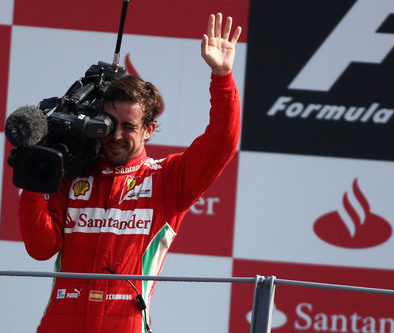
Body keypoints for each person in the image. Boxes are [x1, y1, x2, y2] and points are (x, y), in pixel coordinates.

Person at [18, 13, 242, 333]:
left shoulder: (167, 180)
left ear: (149, 129)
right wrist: (33, 179)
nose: (117, 136)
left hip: (124, 324)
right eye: (110, 124)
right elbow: (40, 248)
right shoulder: (74, 173)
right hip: (59, 323)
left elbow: (221, 143)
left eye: (129, 127)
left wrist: (222, 76)